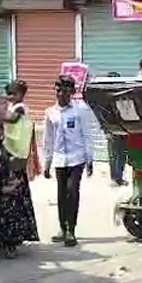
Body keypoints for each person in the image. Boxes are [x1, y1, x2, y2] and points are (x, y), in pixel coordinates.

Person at [0, 78, 39, 259]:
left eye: (14, 93)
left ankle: (10, 243)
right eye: (9, 93)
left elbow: (11, 121)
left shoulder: (19, 109)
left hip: (12, 157)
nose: (10, 96)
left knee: (12, 200)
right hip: (1, 157)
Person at [43, 75, 95, 247]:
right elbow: (48, 139)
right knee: (61, 194)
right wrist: (47, 162)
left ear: (72, 92)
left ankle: (71, 229)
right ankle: (62, 228)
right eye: (58, 90)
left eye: (65, 91)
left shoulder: (80, 109)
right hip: (59, 159)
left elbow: (87, 134)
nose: (61, 94)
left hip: (76, 158)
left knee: (72, 191)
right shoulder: (50, 113)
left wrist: (89, 159)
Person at [105, 72, 127, 186]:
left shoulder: (122, 95)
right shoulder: (104, 98)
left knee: (122, 154)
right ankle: (116, 177)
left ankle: (119, 176)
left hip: (123, 129)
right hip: (112, 129)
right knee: (114, 154)